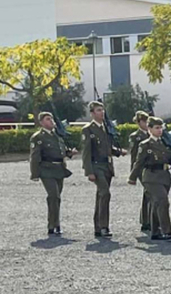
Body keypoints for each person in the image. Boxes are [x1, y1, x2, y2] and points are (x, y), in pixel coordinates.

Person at [127, 117, 171, 240]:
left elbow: (170, 160)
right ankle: (166, 231)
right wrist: (132, 177)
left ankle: (155, 231)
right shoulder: (145, 145)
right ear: (149, 129)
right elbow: (138, 162)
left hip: (164, 177)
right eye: (156, 128)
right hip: (151, 177)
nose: (159, 130)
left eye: (161, 128)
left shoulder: (165, 143)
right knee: (163, 201)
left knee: (156, 204)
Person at [80, 101, 126, 238]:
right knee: (105, 193)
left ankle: (98, 227)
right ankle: (104, 226)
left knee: (101, 196)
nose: (102, 112)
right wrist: (89, 171)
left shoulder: (106, 128)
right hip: (96, 166)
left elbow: (107, 148)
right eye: (98, 110)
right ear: (92, 113)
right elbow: (86, 152)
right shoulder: (88, 129)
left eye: (102, 110)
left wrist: (118, 152)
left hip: (107, 166)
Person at [29, 111, 73, 235]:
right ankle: (51, 225)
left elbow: (61, 151)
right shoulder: (38, 137)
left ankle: (56, 223)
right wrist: (35, 173)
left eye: (52, 118)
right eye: (48, 119)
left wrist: (69, 153)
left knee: (57, 198)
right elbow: (35, 156)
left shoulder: (57, 135)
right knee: (53, 195)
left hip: (59, 168)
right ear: (42, 122)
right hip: (46, 169)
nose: (51, 121)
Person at [128, 110, 152, 232]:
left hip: (151, 168)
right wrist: (133, 172)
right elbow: (134, 156)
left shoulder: (151, 134)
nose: (146, 124)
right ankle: (146, 220)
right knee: (149, 192)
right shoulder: (135, 137)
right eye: (144, 121)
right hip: (141, 168)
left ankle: (147, 219)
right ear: (139, 122)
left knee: (149, 193)